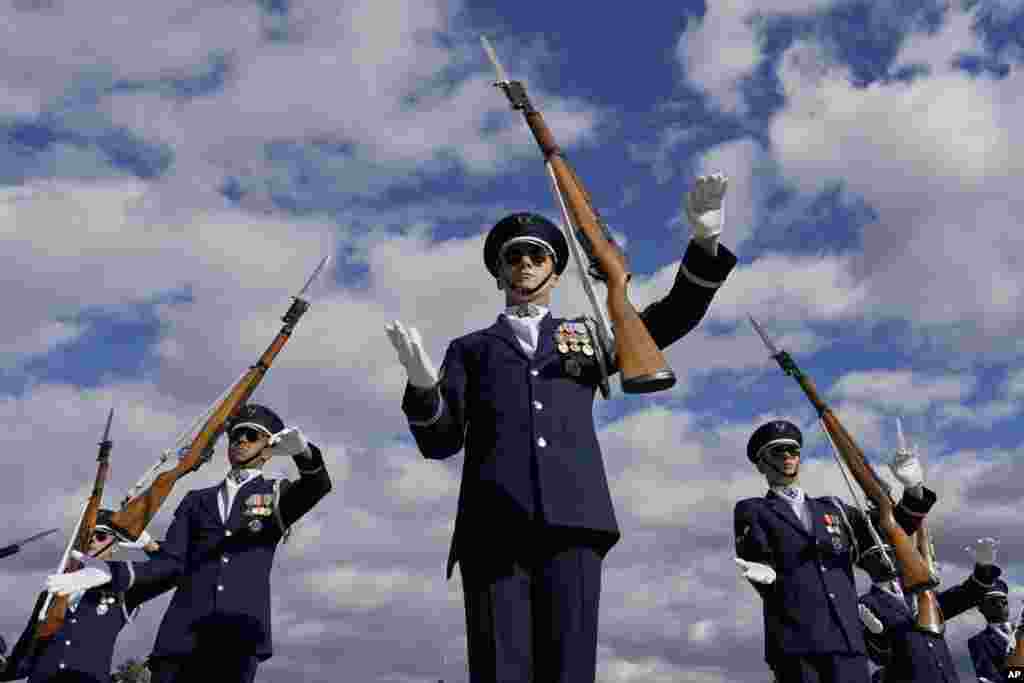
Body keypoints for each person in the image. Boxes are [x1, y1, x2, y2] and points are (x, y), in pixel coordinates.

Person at [387, 175, 738, 683]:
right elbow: (440, 441)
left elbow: (670, 319)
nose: (524, 265)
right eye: (514, 258)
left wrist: (704, 244)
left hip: (575, 522)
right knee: (499, 669)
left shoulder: (590, 335)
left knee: (570, 670)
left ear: (555, 272)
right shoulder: (471, 349)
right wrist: (422, 386)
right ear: (499, 273)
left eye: (537, 257)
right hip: (492, 529)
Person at [45, 404, 332, 683]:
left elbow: (316, 487)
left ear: (268, 449)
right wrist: (112, 573)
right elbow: (170, 563)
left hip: (237, 640)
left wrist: (304, 452)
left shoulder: (275, 494)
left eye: (252, 435)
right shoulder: (197, 500)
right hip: (181, 639)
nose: (241, 440)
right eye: (235, 435)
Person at [734, 419, 936, 683]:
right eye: (777, 451)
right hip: (796, 640)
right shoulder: (754, 510)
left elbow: (889, 533)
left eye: (792, 451)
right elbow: (757, 562)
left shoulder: (833, 508)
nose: (787, 456)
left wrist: (913, 489)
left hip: (847, 641)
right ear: (761, 464)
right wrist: (769, 579)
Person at [1, 512, 161, 683]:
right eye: (87, 535)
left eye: (100, 536)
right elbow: (24, 655)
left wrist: (149, 545)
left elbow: (173, 568)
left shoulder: (124, 589)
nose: (92, 540)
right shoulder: (53, 592)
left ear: (115, 545)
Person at [858, 537, 1002, 683]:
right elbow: (880, 657)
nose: (886, 560)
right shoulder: (867, 603)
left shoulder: (922, 595)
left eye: (889, 553)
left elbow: (964, 596)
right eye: (877, 556)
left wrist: (984, 567)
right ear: (866, 565)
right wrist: (877, 635)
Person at [968, 575, 1019, 683]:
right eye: (993, 602)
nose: (1000, 606)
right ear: (981, 608)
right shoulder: (979, 642)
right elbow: (989, 677)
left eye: (1004, 602)